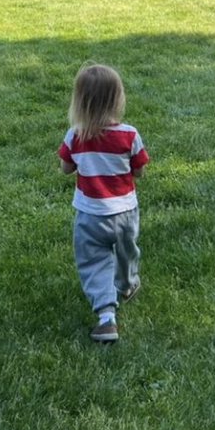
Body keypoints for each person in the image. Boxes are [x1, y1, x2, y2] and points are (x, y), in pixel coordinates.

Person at [58, 64, 150, 343]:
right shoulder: (130, 135)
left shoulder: (75, 136)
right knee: (126, 251)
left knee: (94, 261)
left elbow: (65, 168)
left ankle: (106, 316)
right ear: (117, 98)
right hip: (124, 212)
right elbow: (139, 171)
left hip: (90, 215)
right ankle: (127, 283)